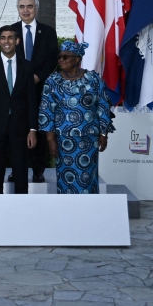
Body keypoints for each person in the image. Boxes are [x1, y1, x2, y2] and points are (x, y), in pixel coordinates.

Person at [39, 41, 114, 194]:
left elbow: (103, 106)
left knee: (87, 177)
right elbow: (46, 112)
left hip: (88, 139)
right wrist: (50, 139)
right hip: (64, 141)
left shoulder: (93, 79)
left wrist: (104, 133)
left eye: (66, 57)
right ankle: (68, 213)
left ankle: (89, 212)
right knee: (66, 179)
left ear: (77, 59)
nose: (61, 60)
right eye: (59, 57)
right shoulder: (52, 82)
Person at [0, 27, 38, 195]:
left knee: (21, 172)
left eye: (10, 38)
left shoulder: (27, 66)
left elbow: (31, 100)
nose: (6, 41)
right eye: (3, 38)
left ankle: (21, 211)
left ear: (17, 41)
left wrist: (33, 129)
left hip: (21, 128)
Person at [8, 0, 59, 183]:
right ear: (18, 9)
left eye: (29, 6)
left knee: (37, 129)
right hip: (16, 90)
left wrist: (38, 77)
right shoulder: (10, 31)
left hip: (40, 89)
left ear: (36, 8)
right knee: (15, 131)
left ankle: (38, 170)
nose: (26, 10)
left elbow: (53, 58)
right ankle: (16, 169)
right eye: (22, 6)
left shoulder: (47, 32)